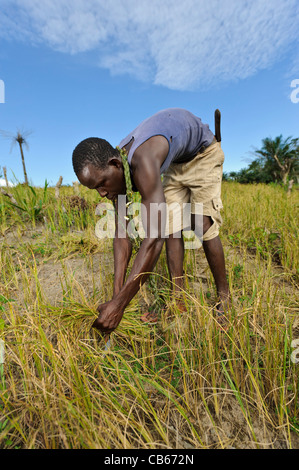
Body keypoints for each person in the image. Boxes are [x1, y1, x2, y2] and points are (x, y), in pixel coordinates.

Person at [72, 108, 230, 334]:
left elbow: (153, 240)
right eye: (94, 188)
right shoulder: (116, 172)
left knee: (200, 223)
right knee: (171, 228)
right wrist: (117, 296)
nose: (101, 193)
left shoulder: (143, 161)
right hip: (175, 163)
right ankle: (178, 297)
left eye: (102, 183)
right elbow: (122, 234)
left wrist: (119, 306)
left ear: (116, 164)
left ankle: (224, 296)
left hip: (203, 153)